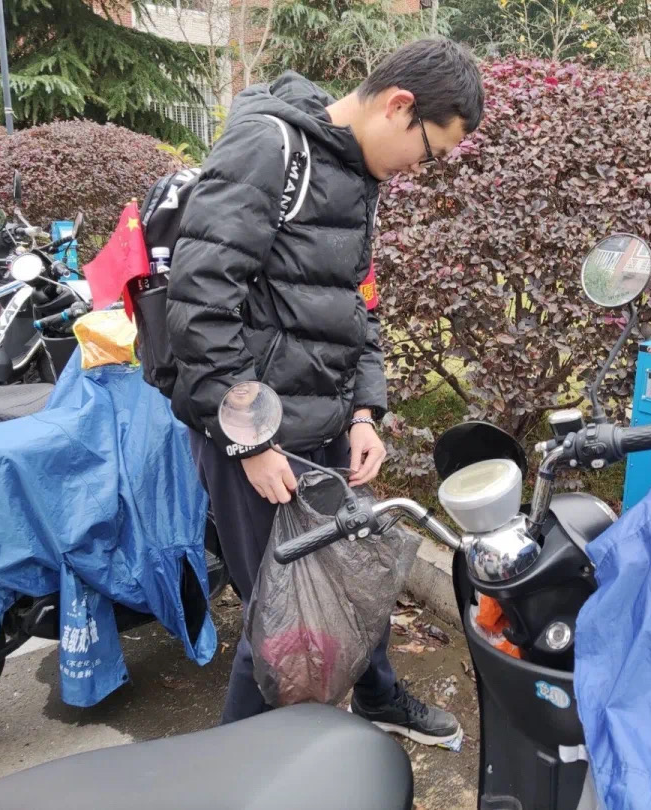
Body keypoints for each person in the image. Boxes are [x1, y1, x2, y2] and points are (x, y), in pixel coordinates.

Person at [165, 37, 485, 743]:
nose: (421, 170)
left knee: (349, 568)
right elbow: (200, 302)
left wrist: (365, 411)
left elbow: (354, 305)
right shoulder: (270, 147)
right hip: (255, 433)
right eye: (430, 151)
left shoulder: (355, 174)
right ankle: (229, 772)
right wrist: (250, 440)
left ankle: (377, 696)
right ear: (400, 106)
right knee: (283, 617)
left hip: (325, 423)